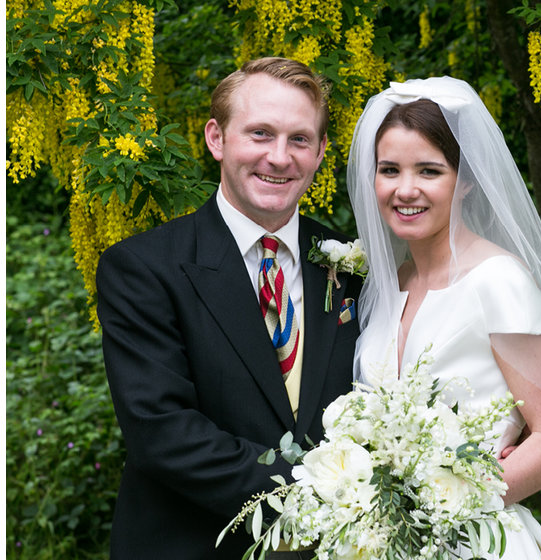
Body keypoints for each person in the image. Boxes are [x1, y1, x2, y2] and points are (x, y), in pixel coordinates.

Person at [96, 57, 361, 560]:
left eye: (299, 139)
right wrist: (323, 495)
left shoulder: (351, 267)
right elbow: (164, 432)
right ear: (216, 138)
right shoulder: (142, 267)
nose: (279, 157)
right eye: (260, 134)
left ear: (322, 151)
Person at [347, 77, 541, 559]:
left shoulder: (499, 282)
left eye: (429, 171)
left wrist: (440, 512)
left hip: (473, 541)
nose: (405, 189)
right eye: (389, 169)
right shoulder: (390, 283)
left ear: (466, 178)